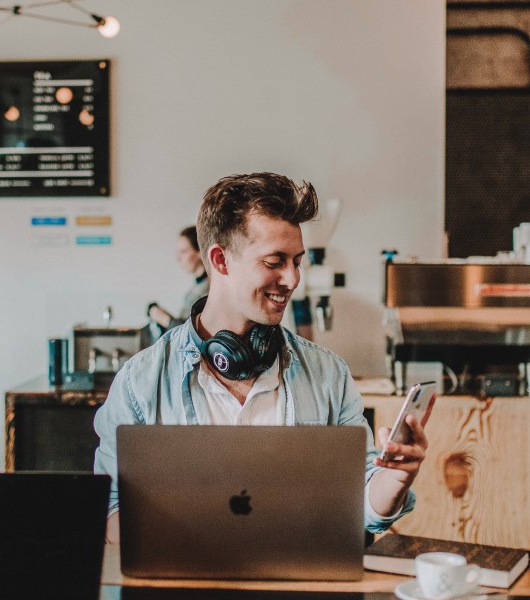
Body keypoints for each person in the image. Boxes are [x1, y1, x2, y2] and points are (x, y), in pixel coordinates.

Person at [94, 172, 428, 543]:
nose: (292, 279)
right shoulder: (140, 382)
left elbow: (361, 504)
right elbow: (108, 513)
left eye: (297, 261)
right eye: (274, 262)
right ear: (220, 260)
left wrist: (394, 479)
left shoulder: (329, 374)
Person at [141, 226, 209, 347]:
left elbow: (193, 334)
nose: (178, 258)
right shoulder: (196, 287)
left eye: (183, 252)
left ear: (199, 252)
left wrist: (164, 318)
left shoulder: (209, 288)